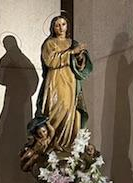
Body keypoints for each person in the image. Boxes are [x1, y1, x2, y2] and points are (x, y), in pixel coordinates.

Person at [36, 15, 92, 152]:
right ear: (53, 28)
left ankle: (70, 146)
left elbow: (80, 65)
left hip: (71, 80)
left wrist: (79, 57)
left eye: (63, 24)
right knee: (60, 108)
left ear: (67, 26)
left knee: (73, 111)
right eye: (57, 25)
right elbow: (50, 61)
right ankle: (53, 143)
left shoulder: (73, 43)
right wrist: (71, 53)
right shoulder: (49, 43)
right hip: (56, 80)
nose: (61, 28)